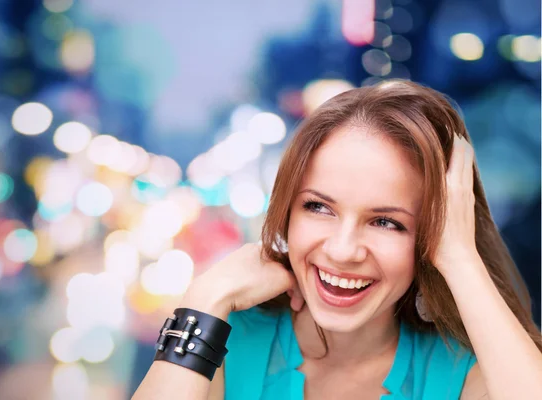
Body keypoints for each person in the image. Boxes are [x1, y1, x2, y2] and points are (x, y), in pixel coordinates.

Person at [133, 80, 542, 399]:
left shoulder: (459, 372)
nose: (343, 250)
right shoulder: (224, 341)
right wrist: (205, 298)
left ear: (429, 236)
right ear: (286, 211)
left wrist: (459, 257)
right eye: (318, 208)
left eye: (386, 222)